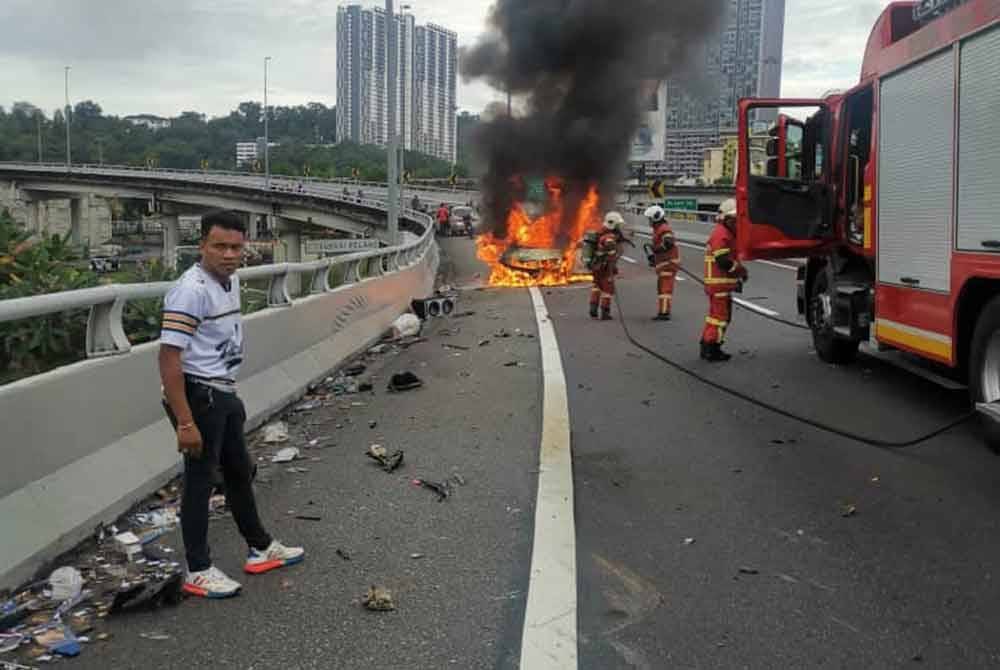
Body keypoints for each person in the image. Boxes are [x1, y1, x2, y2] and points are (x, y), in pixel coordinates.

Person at [159, 210, 304, 599]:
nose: (228, 254)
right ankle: (198, 568)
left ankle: (260, 546)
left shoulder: (230, 281)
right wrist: (185, 422)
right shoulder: (191, 290)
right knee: (199, 482)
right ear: (202, 245)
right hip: (200, 395)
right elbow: (169, 358)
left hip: (222, 392)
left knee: (240, 472)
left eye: (235, 247)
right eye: (219, 246)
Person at [700, 199, 748, 362]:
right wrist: (740, 271)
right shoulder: (721, 234)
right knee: (720, 319)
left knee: (715, 318)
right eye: (735, 220)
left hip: (719, 285)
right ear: (727, 219)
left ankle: (707, 345)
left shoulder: (724, 233)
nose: (738, 224)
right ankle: (713, 349)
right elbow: (724, 261)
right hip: (719, 285)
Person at [644, 205, 679, 321]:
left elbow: (669, 242)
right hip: (664, 263)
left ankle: (664, 313)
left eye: (650, 219)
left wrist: (656, 249)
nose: (649, 222)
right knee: (661, 288)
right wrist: (655, 257)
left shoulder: (664, 228)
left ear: (655, 218)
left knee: (664, 289)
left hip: (668, 263)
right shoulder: (659, 229)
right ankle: (663, 310)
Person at [589, 212, 626, 320]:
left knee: (596, 286)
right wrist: (613, 251)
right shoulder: (609, 237)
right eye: (618, 225)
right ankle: (605, 312)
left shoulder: (600, 232)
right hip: (606, 268)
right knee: (607, 290)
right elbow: (610, 246)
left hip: (597, 266)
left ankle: (593, 308)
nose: (619, 227)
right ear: (613, 224)